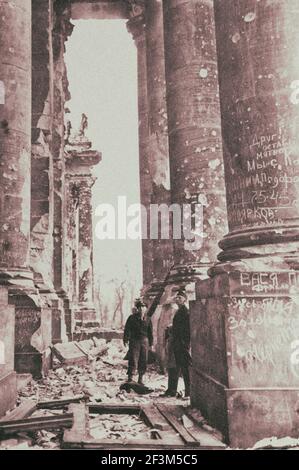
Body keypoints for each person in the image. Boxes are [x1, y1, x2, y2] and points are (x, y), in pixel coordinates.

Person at [160, 289, 192, 398]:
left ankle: (188, 392)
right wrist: (172, 328)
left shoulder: (185, 311)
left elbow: (187, 329)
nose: (177, 299)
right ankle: (171, 390)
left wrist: (184, 344)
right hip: (177, 344)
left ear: (185, 299)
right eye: (177, 297)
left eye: (180, 297)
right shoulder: (179, 311)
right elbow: (179, 326)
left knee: (185, 369)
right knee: (175, 367)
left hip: (182, 345)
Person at [123, 299, 153, 385]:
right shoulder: (132, 318)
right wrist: (126, 339)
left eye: (143, 307)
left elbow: (150, 332)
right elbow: (127, 329)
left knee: (143, 360)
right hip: (134, 340)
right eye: (140, 307)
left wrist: (151, 344)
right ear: (137, 309)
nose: (142, 309)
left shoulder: (148, 319)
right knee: (133, 358)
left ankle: (140, 378)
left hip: (144, 341)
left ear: (146, 309)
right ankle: (130, 378)